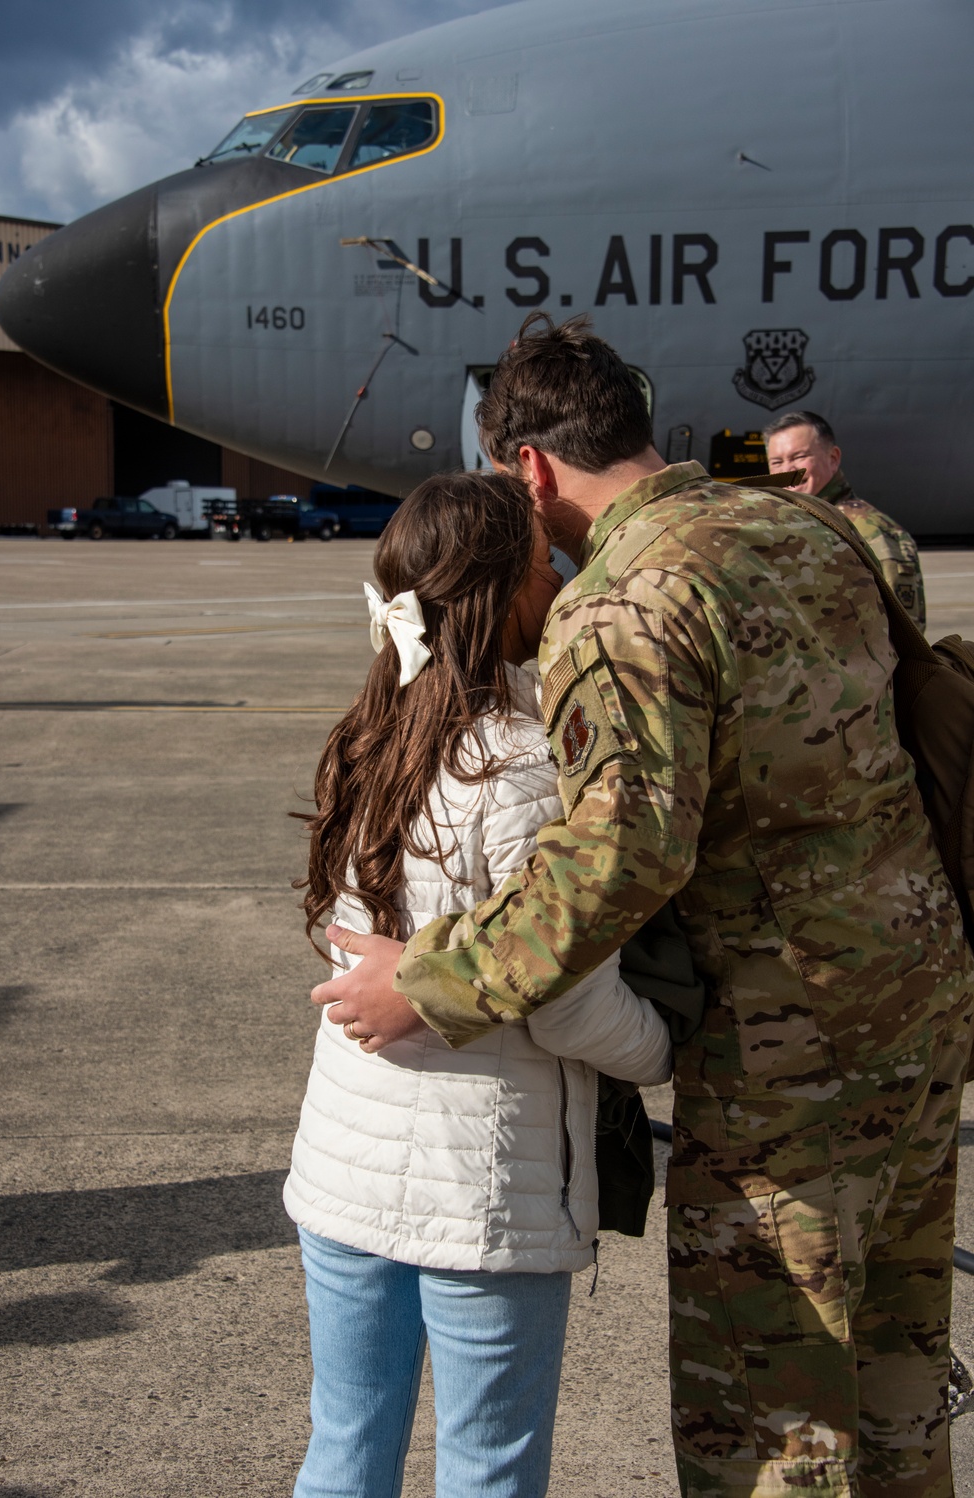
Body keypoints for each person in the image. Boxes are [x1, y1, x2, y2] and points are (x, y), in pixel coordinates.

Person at [314, 317, 974, 1497]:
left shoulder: (621, 603)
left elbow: (617, 858)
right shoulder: (814, 524)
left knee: (771, 1423)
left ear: (526, 468)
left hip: (792, 1062)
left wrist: (424, 980)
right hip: (923, 1008)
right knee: (898, 1381)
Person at [285, 470, 672, 1498]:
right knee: (489, 1470)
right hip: (481, 1197)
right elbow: (563, 996)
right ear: (503, 594)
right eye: (544, 564)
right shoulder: (528, 770)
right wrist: (663, 1047)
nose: (560, 579)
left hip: (342, 1174)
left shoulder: (368, 736)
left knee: (343, 1448)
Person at [764, 408, 926, 630]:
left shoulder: (867, 529)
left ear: (833, 458)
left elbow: (906, 632)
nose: (787, 470)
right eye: (776, 462)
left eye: (799, 457)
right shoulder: (788, 524)